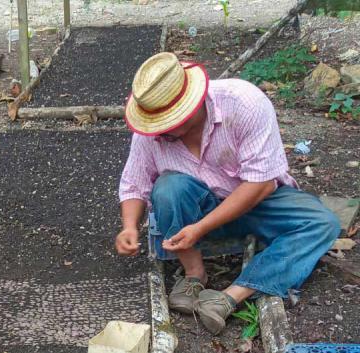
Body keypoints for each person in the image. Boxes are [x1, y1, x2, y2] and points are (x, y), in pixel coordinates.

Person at [115, 52, 340, 334]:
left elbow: (260, 184)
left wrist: (200, 228)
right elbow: (134, 183)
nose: (160, 132)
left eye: (168, 123)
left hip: (259, 201)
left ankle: (231, 295)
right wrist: (129, 227)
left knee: (322, 223)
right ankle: (194, 274)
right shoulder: (151, 130)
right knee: (169, 187)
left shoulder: (244, 103)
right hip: (199, 210)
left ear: (192, 106)